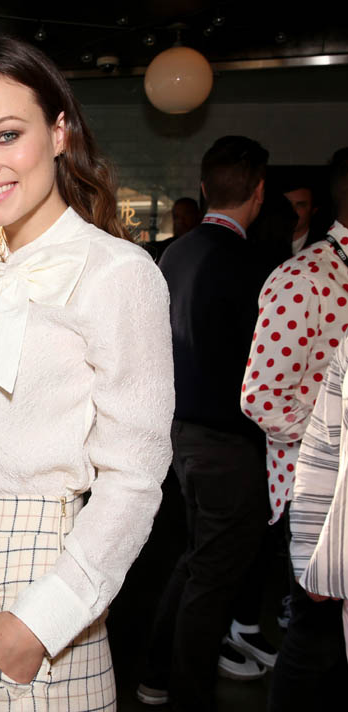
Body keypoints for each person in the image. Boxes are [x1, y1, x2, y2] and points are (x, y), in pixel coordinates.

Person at [0, 37, 173, 712]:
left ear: (59, 132)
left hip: (30, 583)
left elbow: (135, 476)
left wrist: (41, 623)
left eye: (7, 135)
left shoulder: (118, 274)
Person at [138, 136, 274, 711]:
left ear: (202, 188)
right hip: (229, 441)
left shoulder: (175, 254)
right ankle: (187, 696)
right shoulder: (256, 266)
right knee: (214, 575)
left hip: (180, 435)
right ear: (258, 193)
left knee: (197, 560)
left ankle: (155, 675)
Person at [270, 146, 348, 712]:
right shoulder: (305, 277)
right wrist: (331, 438)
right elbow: (261, 396)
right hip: (318, 493)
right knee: (314, 642)